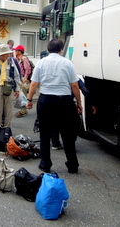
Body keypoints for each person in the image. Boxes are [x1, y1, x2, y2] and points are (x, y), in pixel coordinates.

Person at [26, 39, 82, 174]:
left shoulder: (41, 62)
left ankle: (45, 163)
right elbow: (74, 85)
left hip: (45, 100)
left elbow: (34, 84)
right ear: (61, 50)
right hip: (64, 101)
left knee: (45, 133)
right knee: (67, 134)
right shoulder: (67, 63)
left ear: (48, 49)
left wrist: (29, 100)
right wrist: (79, 103)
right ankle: (72, 165)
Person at [13, 45, 32, 118]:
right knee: (21, 95)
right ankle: (23, 109)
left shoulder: (24, 58)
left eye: (16, 50)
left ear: (20, 51)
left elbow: (28, 69)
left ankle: (23, 110)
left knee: (23, 95)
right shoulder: (17, 59)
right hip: (20, 79)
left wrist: (25, 78)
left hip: (24, 80)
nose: (15, 51)